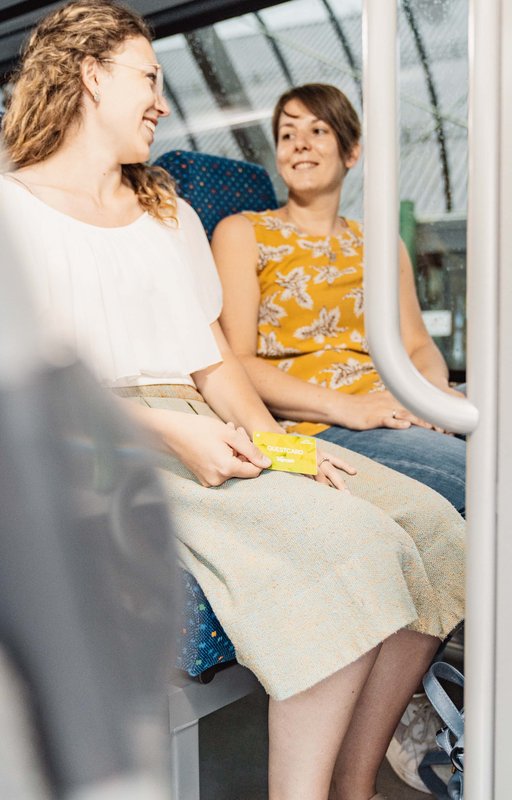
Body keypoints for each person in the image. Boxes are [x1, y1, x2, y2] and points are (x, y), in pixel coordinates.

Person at [0, 4, 464, 799]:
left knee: (438, 530)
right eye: (148, 78)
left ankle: (352, 784)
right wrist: (170, 437)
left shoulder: (165, 209)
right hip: (101, 440)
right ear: (89, 75)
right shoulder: (11, 211)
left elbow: (213, 359)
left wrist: (285, 446)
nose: (160, 101)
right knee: (356, 548)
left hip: (204, 416)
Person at [212, 83, 467, 518]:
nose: (300, 145)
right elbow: (238, 362)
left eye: (318, 131)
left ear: (351, 153)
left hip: (397, 405)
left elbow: (418, 345)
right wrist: (356, 408)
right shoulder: (243, 233)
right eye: (287, 134)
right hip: (326, 421)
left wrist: (433, 396)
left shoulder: (380, 242)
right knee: (484, 474)